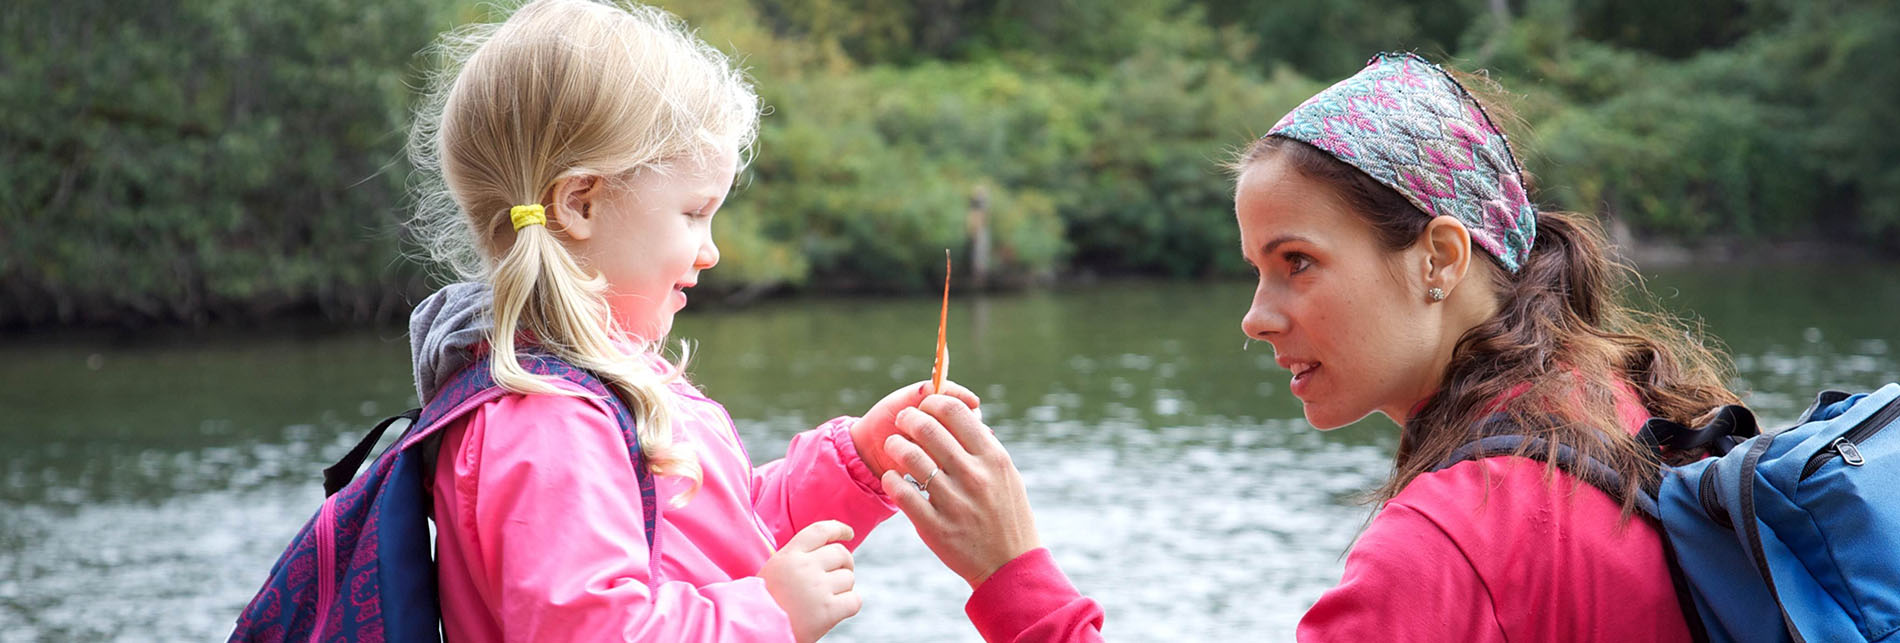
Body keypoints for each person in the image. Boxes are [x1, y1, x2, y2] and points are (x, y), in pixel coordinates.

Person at [888, 51, 1743, 642]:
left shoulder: (1449, 540)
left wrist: (1013, 578)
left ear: (1440, 257)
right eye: (1258, 271)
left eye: (1296, 262)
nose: (1256, 317)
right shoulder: (1623, 405)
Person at [401, 1, 980, 641]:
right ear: (581, 204)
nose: (711, 251)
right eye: (693, 213)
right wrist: (771, 613)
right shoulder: (549, 421)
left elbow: (716, 538)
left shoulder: (594, 389)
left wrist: (857, 461)